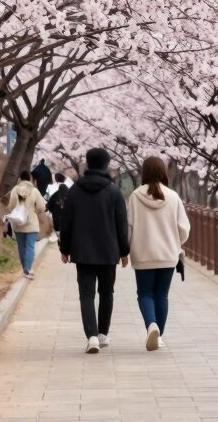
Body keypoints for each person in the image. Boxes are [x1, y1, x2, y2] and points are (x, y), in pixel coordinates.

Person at [59, 147, 129, 354]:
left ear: (88, 164)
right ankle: (103, 334)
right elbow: (121, 224)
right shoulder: (113, 191)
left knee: (86, 295)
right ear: (106, 164)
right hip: (108, 251)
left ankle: (91, 337)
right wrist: (124, 251)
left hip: (83, 252)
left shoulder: (75, 190)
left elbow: (66, 221)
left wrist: (65, 248)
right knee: (107, 292)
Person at [126, 156, 190, 351]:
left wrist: (128, 248)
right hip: (168, 255)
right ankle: (159, 336)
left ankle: (151, 325)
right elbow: (184, 229)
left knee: (145, 293)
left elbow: (129, 228)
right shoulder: (173, 196)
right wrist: (176, 244)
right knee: (162, 295)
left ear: (144, 172)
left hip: (143, 254)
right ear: (163, 172)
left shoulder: (135, 196)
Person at [5, 170, 46, 280]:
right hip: (32, 223)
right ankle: (27, 269)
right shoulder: (34, 191)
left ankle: (25, 269)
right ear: (30, 179)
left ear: (20, 178)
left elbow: (10, 206)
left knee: (21, 247)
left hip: (18, 223)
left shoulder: (15, 190)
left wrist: (18, 210)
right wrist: (35, 211)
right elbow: (42, 207)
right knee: (30, 247)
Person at [46, 173, 70, 243]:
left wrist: (51, 209)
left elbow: (49, 202)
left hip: (56, 215)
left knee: (58, 229)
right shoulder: (69, 190)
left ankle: (60, 240)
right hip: (67, 217)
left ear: (56, 179)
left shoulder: (52, 188)